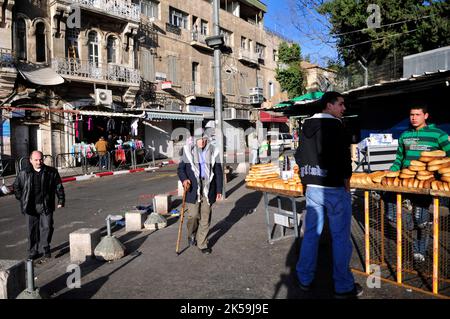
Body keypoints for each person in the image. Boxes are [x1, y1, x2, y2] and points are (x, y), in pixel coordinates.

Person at [294, 91, 363, 298]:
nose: (344, 109)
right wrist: (346, 184)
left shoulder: (306, 126)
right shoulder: (337, 127)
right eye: (340, 104)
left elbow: (299, 156)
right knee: (340, 238)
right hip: (333, 189)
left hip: (313, 189)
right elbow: (344, 161)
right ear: (329, 105)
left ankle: (304, 278)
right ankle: (343, 286)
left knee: (311, 236)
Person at [385, 105, 450, 264]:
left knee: (421, 221)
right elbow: (399, 158)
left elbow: (448, 155)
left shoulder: (438, 134)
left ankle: (420, 249)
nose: (414, 118)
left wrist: (439, 171)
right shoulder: (405, 135)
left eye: (417, 114)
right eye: (411, 115)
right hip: (405, 181)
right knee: (392, 214)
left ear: (426, 116)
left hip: (425, 184)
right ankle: (413, 222)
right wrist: (392, 171)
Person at [177, 128, 223, 254]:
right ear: (195, 140)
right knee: (193, 215)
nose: (202, 141)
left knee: (205, 216)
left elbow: (218, 171)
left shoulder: (214, 151)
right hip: (193, 188)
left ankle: (202, 243)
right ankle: (192, 233)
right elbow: (180, 169)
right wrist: (185, 179)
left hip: (208, 187)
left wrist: (219, 189)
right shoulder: (188, 151)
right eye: (199, 139)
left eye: (204, 139)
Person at [13, 151, 65, 260]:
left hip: (45, 205)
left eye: (40, 159)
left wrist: (61, 200)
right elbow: (16, 187)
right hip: (30, 206)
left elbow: (58, 186)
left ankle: (45, 247)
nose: (38, 162)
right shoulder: (24, 173)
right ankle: (33, 251)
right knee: (32, 230)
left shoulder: (51, 172)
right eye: (36, 160)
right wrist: (22, 198)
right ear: (30, 160)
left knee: (47, 227)